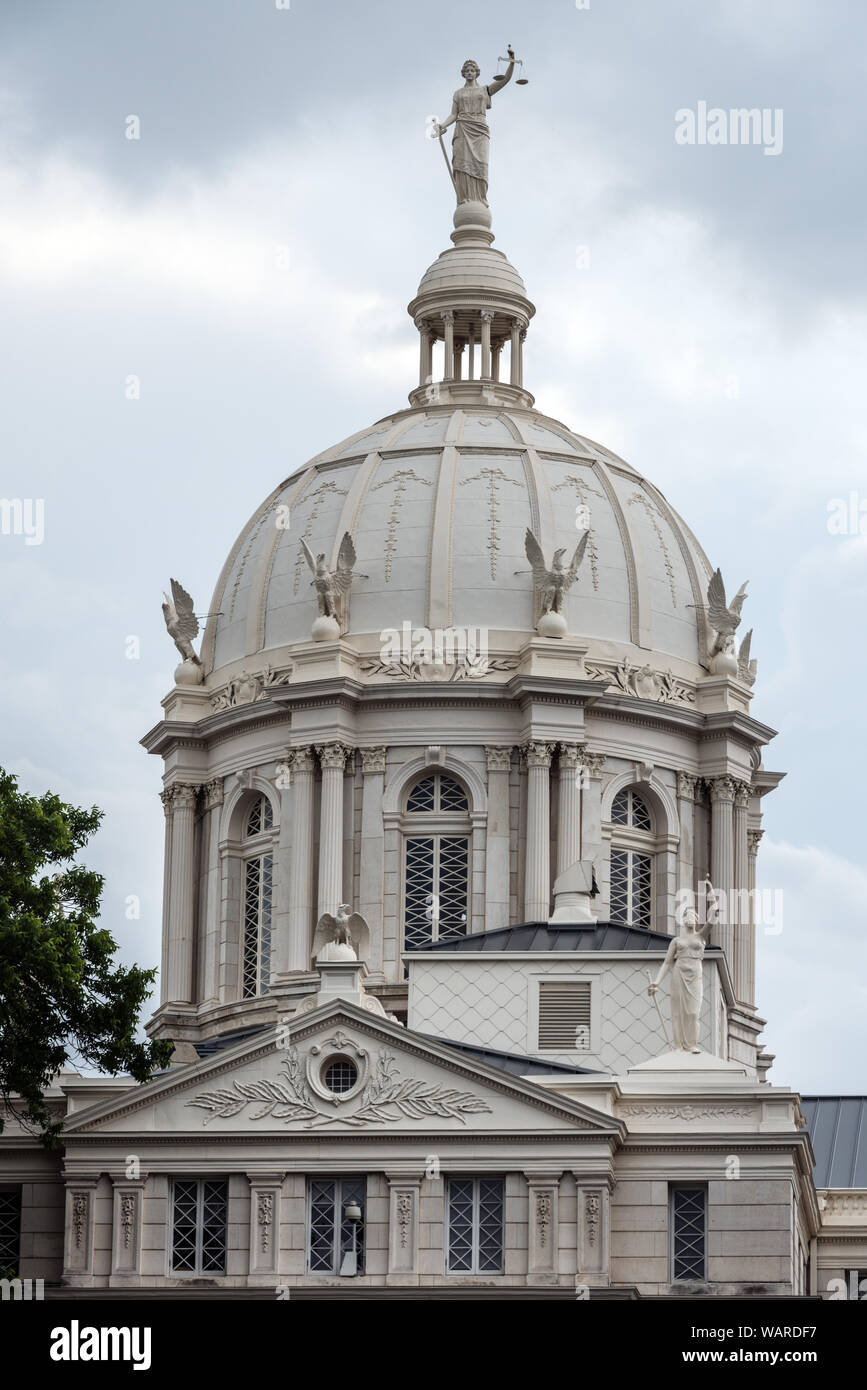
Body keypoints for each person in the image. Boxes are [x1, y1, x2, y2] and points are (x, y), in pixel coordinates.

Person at [435, 48, 516, 205]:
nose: (470, 73)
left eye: (472, 70)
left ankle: (480, 198)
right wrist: (442, 126)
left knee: (481, 164)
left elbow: (505, 79)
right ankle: (464, 197)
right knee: (462, 164)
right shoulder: (458, 93)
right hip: (462, 129)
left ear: (477, 73)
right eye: (467, 71)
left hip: (479, 130)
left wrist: (511, 62)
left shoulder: (484, 90)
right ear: (463, 73)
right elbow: (453, 114)